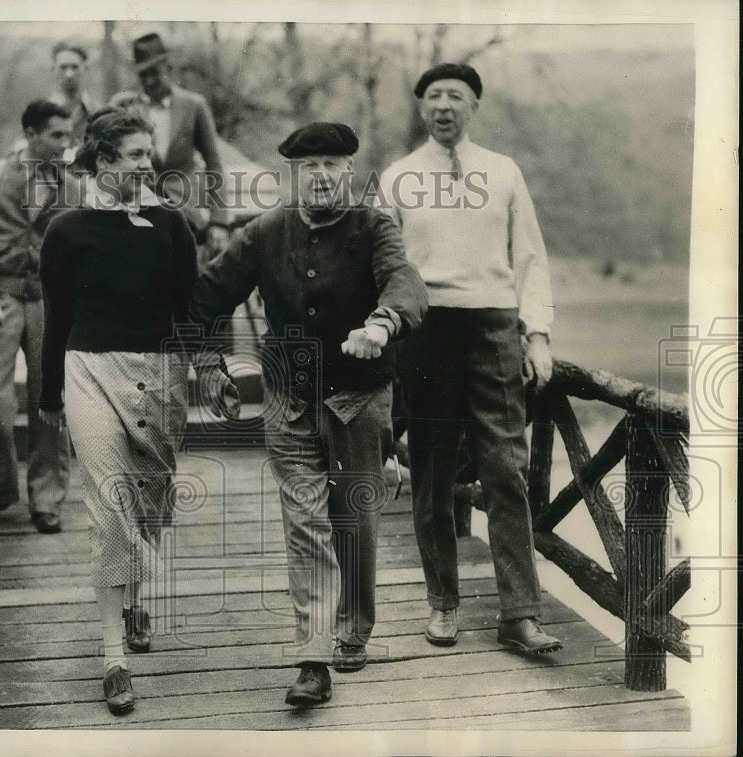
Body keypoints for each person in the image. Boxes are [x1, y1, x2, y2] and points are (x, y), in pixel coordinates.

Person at [189, 123, 428, 707]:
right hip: (288, 400)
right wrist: (209, 359)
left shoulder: (375, 227)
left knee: (354, 519)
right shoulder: (267, 231)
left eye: (332, 165)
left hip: (360, 398)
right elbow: (208, 292)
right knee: (306, 526)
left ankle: (353, 628)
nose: (320, 176)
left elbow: (406, 284)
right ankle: (313, 658)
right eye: (309, 166)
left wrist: (382, 323)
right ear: (293, 175)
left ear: (349, 171)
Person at [38, 108, 235, 716]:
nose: (148, 165)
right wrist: (50, 395)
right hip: (88, 370)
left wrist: (210, 366)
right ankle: (113, 655)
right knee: (109, 510)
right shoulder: (65, 231)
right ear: (102, 162)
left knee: (149, 501)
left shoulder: (173, 226)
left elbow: (192, 306)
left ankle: (136, 595)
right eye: (134, 156)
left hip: (160, 374)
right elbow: (56, 320)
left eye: (150, 154)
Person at [379, 63, 562, 654]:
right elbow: (382, 266)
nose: (444, 106)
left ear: (474, 106)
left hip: (493, 331)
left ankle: (520, 615)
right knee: (431, 472)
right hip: (426, 332)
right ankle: (443, 605)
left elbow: (530, 258)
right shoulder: (400, 178)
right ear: (422, 108)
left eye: (456, 96)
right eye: (433, 96)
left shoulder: (503, 172)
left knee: (506, 468)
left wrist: (537, 336)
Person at [0, 100, 79, 535]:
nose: (66, 145)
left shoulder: (73, 185)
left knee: (50, 400)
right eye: (57, 136)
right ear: (31, 134)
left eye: (68, 136)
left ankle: (46, 498)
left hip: (51, 303)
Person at [110, 32, 228, 231]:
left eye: (155, 73)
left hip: (188, 211)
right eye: (143, 75)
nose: (149, 82)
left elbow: (214, 163)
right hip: (141, 210)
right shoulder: (126, 107)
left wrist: (219, 222)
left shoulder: (194, 105)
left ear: (168, 68)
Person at [48, 40, 99, 166]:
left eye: (75, 67)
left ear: (85, 68)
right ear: (53, 69)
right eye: (63, 67)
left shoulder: (97, 113)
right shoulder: (42, 115)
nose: (69, 74)